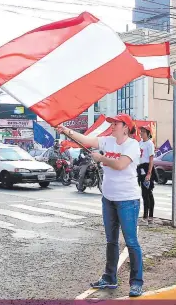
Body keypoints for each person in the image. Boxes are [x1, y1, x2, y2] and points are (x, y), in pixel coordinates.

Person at [56, 113, 144, 297]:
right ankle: (110, 278)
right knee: (111, 241)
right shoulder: (107, 141)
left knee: (131, 242)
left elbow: (120, 165)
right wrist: (67, 131)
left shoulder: (133, 145)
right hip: (109, 199)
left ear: (126, 127)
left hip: (128, 200)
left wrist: (101, 159)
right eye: (111, 123)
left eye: (115, 123)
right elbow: (86, 140)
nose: (112, 126)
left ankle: (136, 283)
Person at [138, 125, 155, 224]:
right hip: (140, 169)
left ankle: (150, 215)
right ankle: (145, 215)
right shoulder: (139, 143)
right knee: (143, 193)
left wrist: (149, 173)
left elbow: (151, 160)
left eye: (143, 132)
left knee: (148, 193)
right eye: (141, 131)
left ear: (148, 133)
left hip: (147, 168)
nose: (141, 133)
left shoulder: (150, 144)